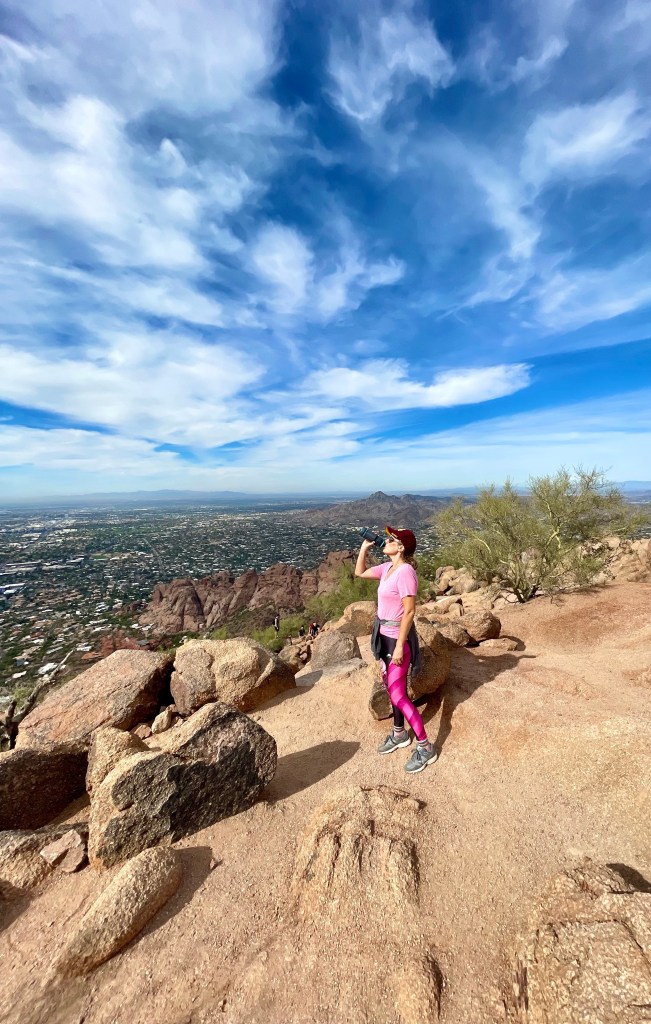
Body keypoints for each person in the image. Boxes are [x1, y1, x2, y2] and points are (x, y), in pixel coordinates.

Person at [355, 526, 438, 774]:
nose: (386, 541)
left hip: (396, 641)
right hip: (383, 638)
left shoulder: (405, 572)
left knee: (399, 695)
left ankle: (425, 747)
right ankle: (399, 733)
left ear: (401, 547)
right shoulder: (387, 568)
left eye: (391, 539)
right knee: (392, 690)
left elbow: (409, 612)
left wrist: (401, 646)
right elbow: (360, 573)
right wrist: (364, 548)